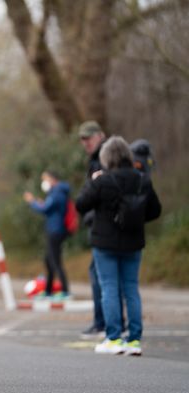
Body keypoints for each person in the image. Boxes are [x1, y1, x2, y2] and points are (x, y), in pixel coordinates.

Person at [76, 136, 161, 356]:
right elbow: (155, 211)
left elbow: (81, 203)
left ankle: (113, 338)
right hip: (134, 242)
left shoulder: (103, 180)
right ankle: (134, 340)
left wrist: (93, 180)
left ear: (106, 157)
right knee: (131, 288)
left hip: (105, 243)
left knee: (109, 288)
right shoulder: (142, 180)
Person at [77, 120, 125, 339]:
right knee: (113, 278)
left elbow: (102, 194)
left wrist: (89, 213)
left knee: (102, 277)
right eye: (83, 139)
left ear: (100, 135)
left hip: (105, 226)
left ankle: (105, 324)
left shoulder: (106, 158)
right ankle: (111, 323)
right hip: (103, 224)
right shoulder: (97, 158)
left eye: (89, 137)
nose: (85, 142)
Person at [23, 171, 71, 300]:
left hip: (56, 231)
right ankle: (48, 291)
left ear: (53, 179)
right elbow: (49, 208)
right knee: (49, 261)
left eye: (45, 179)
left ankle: (65, 291)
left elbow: (44, 209)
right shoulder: (56, 192)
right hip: (53, 230)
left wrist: (32, 201)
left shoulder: (57, 192)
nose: (44, 182)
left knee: (55, 261)